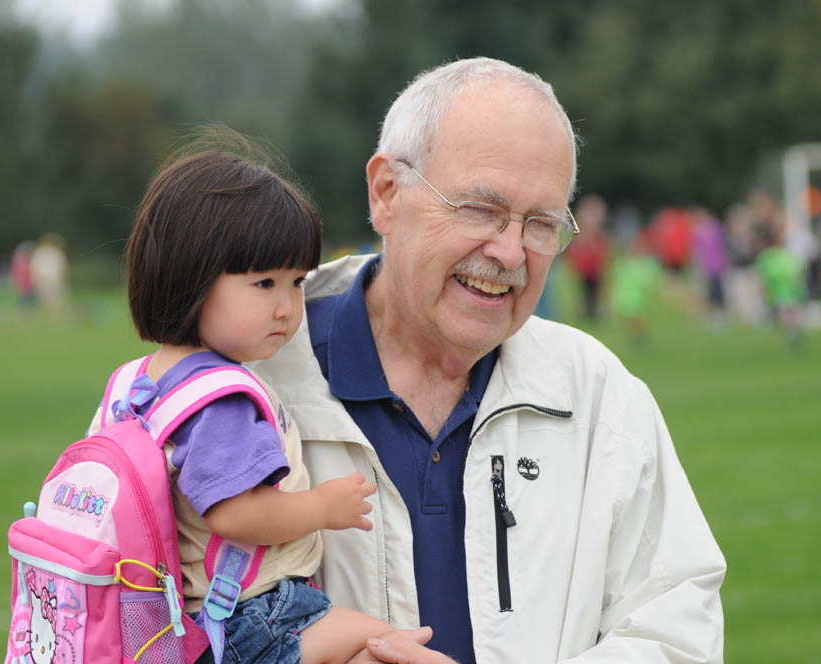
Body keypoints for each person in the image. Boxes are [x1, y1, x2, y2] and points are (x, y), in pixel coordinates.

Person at [250, 58, 726, 663]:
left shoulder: (597, 394)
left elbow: (676, 632)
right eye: (480, 209)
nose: (508, 252)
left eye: (541, 224)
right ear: (387, 194)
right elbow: (142, 622)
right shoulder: (243, 385)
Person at [97, 133, 426, 664]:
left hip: (189, 615)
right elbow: (235, 512)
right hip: (251, 616)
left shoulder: (137, 383)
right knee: (391, 646)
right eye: (264, 283)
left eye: (296, 283)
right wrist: (322, 507)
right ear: (192, 277)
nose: (287, 308)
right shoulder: (219, 399)